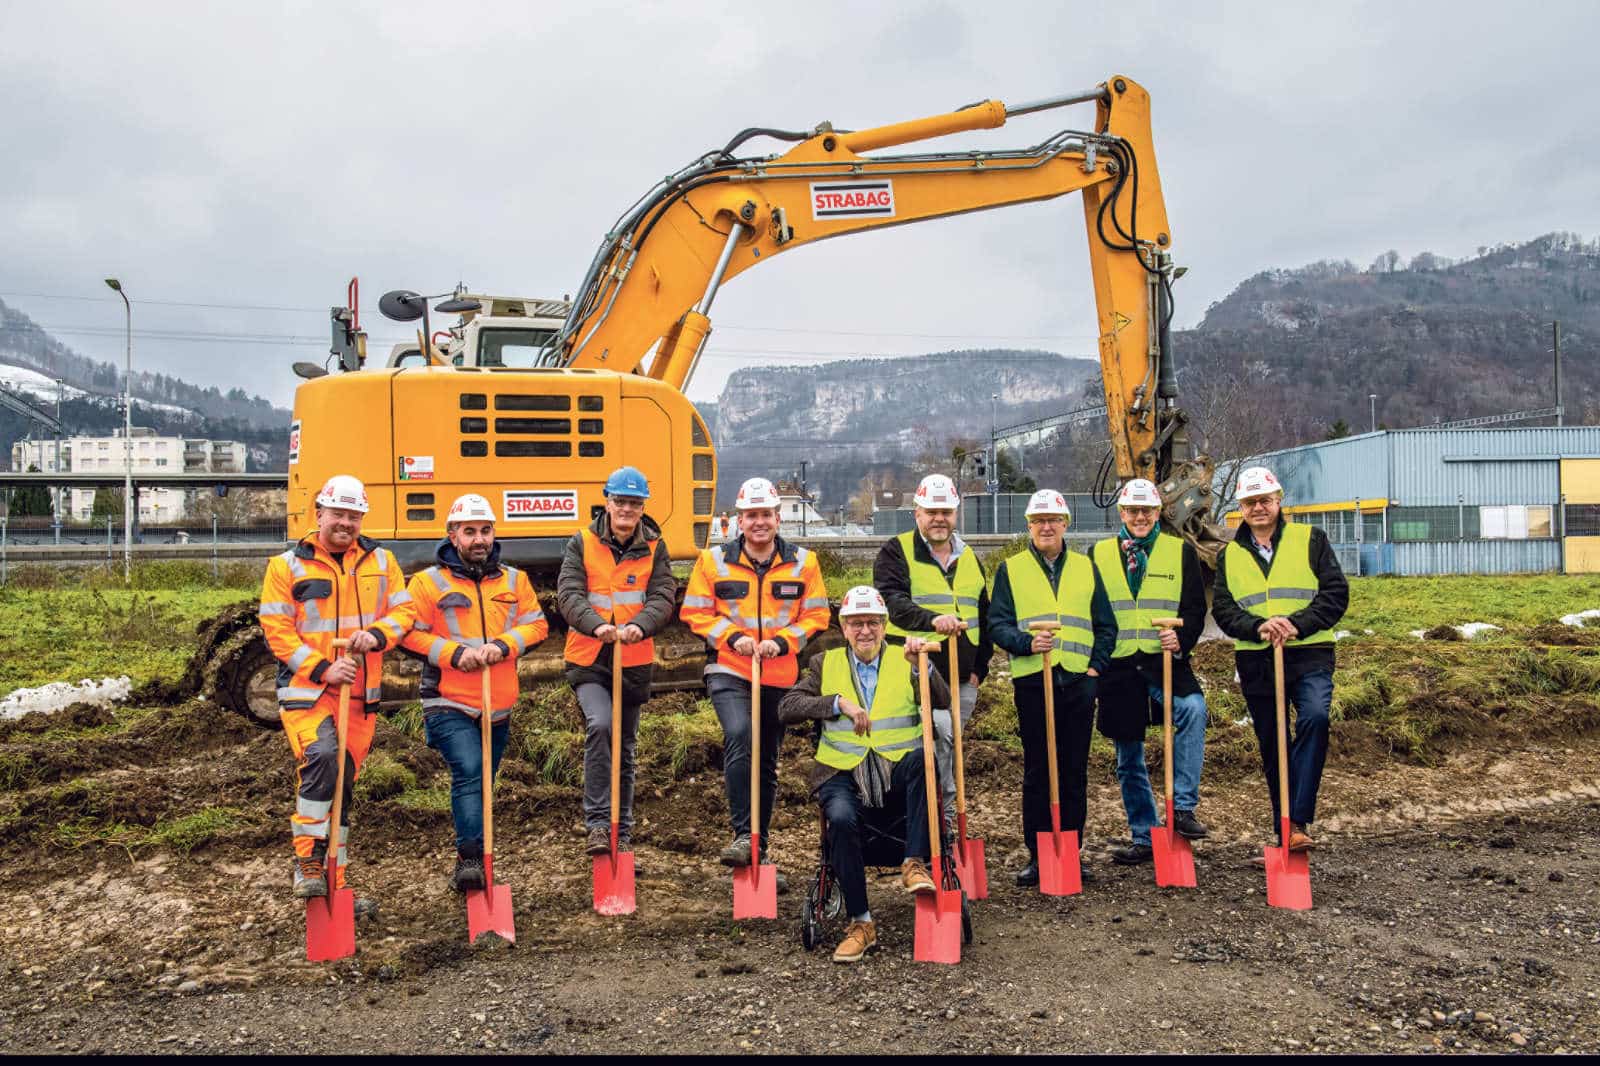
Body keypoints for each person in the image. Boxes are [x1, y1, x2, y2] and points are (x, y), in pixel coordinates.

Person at [259, 475, 413, 903]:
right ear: (320, 514)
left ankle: (335, 882)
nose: (345, 523)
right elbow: (277, 632)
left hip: (361, 697)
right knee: (322, 757)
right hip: (308, 692)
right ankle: (306, 859)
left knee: (343, 785)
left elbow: (404, 612)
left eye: (354, 515)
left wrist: (377, 636)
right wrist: (324, 668)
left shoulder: (382, 561)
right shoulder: (285, 566)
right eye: (338, 514)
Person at [777, 586, 946, 963]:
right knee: (839, 817)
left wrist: (923, 665)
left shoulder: (907, 655)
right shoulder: (825, 663)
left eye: (872, 622)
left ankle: (914, 863)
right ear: (844, 627)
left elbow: (943, 699)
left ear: (884, 626)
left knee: (925, 759)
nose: (865, 631)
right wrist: (836, 704)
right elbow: (788, 707)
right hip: (842, 769)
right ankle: (862, 922)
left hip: (895, 765)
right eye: (856, 623)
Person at [681, 477, 830, 887]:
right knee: (739, 734)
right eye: (751, 515)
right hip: (730, 668)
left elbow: (817, 615)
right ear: (738, 520)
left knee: (766, 761)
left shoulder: (804, 562)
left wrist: (783, 643)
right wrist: (734, 638)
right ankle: (742, 835)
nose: (759, 522)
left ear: (778, 518)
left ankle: (757, 849)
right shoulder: (713, 562)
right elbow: (695, 612)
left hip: (779, 674)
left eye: (766, 514)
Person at [401, 493, 548, 891]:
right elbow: (407, 632)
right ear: (452, 535)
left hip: (498, 700)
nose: (479, 539)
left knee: (485, 778)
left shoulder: (515, 581)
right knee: (468, 769)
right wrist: (453, 654)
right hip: (447, 697)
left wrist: (503, 645)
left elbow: (537, 625)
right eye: (469, 532)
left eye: (485, 530)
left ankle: (476, 854)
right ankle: (469, 860)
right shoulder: (427, 583)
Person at [1211, 466, 1348, 854]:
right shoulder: (1230, 554)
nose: (1258, 508)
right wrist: (1257, 626)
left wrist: (1295, 624)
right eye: (1250, 502)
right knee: (1273, 745)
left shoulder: (1311, 540)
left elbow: (1335, 594)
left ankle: (1298, 817)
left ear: (1278, 500)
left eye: (1264, 500)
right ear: (1241, 505)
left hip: (1310, 652)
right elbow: (1223, 609)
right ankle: (1287, 830)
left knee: (1315, 718)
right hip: (1257, 659)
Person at [987, 489, 1117, 886]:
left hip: (1078, 681)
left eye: (1053, 520)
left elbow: (1106, 625)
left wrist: (1095, 670)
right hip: (1033, 681)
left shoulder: (1086, 567)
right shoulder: (1012, 569)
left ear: (1065, 524)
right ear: (1029, 525)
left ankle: (1071, 848)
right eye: (1038, 520)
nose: (1046, 526)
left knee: (1074, 769)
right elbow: (998, 624)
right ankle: (1039, 853)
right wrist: (1027, 642)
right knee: (1039, 769)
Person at [556, 466, 677, 859]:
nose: (626, 508)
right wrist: (597, 626)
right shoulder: (582, 543)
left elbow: (663, 595)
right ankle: (596, 825)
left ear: (642, 507)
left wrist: (640, 626)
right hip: (590, 656)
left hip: (634, 658)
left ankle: (620, 831)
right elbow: (569, 594)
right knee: (601, 725)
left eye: (634, 503)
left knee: (624, 747)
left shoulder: (656, 547)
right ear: (607, 502)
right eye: (620, 501)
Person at [1089, 479, 1212, 865]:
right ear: (1121, 514)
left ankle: (1183, 808)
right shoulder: (1099, 554)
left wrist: (1183, 639)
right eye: (1132, 511)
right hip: (1120, 667)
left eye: (1147, 511)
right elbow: (1092, 610)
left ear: (1158, 513)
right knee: (1129, 755)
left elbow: (1194, 607)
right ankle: (1144, 835)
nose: (1140, 517)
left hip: (1164, 662)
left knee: (1193, 709)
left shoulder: (1180, 553)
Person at [874, 473, 993, 830]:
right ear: (917, 514)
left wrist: (980, 668)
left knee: (949, 745)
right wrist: (932, 620)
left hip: (962, 675)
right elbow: (891, 603)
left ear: (956, 514)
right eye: (931, 511)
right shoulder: (896, 551)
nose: (939, 518)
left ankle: (938, 817)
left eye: (946, 511)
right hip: (917, 671)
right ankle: (941, 820)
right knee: (938, 736)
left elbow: (982, 614)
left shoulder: (969, 556)